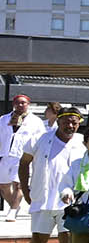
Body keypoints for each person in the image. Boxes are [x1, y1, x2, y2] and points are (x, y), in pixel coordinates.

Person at [21, 103, 86, 243]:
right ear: (58, 121)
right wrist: (26, 190)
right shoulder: (39, 138)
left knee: (67, 241)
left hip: (69, 203)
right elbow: (24, 163)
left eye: (74, 123)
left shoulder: (82, 142)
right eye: (67, 122)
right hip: (41, 199)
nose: (70, 126)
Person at [1, 93, 45, 222]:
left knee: (18, 184)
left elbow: (40, 139)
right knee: (3, 185)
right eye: (18, 102)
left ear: (28, 104)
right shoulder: (4, 119)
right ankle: (14, 206)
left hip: (22, 155)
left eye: (23, 102)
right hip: (4, 154)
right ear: (14, 104)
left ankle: (12, 211)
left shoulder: (35, 121)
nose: (20, 105)